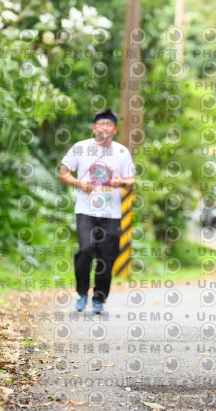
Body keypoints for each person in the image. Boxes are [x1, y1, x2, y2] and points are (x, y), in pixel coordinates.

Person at [58, 109, 135, 314]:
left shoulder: (122, 152)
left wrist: (121, 182)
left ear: (115, 129)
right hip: (86, 211)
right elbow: (63, 173)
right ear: (94, 128)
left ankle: (99, 299)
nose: (104, 127)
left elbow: (131, 181)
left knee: (106, 258)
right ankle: (82, 293)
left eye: (109, 124)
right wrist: (79, 183)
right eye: (101, 123)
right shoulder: (81, 148)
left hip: (112, 214)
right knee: (86, 250)